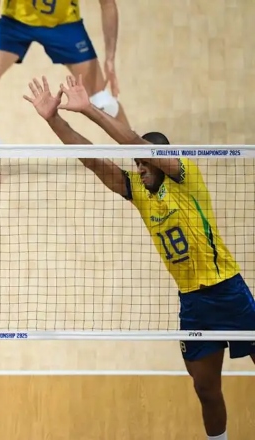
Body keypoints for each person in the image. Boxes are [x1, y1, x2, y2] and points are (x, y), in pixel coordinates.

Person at [24, 73, 255, 440]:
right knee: (205, 390)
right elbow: (92, 159)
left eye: (144, 162)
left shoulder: (185, 178)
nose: (138, 167)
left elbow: (133, 140)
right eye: (136, 164)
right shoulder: (139, 192)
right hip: (193, 302)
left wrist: (89, 109)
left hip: (228, 290)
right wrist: (54, 119)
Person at [0, 0, 129, 190]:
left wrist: (110, 58)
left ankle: (143, 157)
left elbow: (108, 4)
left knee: (104, 103)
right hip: (15, 23)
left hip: (64, 25)